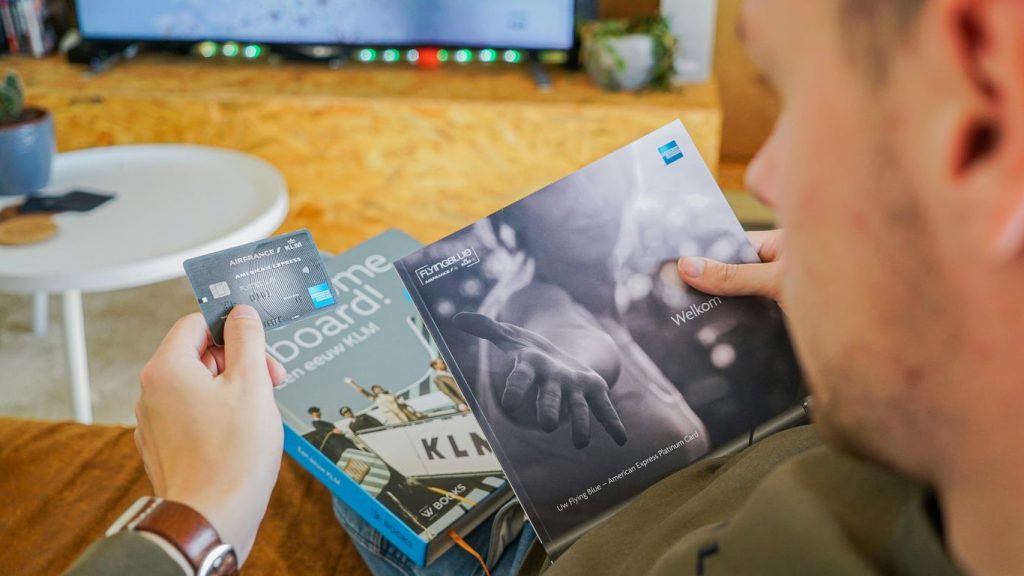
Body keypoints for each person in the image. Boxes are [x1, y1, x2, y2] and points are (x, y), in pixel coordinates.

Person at [66, 0, 1024, 573]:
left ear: (976, 110)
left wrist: (193, 517)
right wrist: (895, 300)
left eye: (799, 96)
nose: (764, 175)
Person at [344, 377, 422, 425]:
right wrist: (352, 383)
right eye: (376, 389)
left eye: (379, 387)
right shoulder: (376, 398)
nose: (379, 388)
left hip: (408, 416)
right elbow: (362, 390)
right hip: (397, 420)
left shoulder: (390, 394)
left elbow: (404, 405)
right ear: (374, 391)